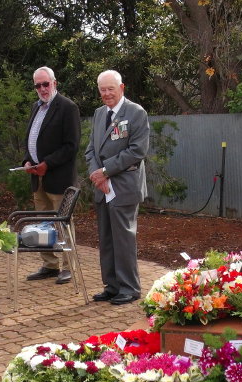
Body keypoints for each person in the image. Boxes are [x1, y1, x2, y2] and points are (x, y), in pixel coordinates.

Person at [84, 70, 150, 305]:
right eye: (102, 89)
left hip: (124, 186)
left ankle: (129, 288)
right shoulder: (99, 113)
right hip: (103, 188)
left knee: (124, 239)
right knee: (107, 238)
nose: (106, 93)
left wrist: (105, 171)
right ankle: (112, 286)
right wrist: (97, 174)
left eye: (110, 88)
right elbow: (91, 149)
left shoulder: (136, 112)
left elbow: (137, 151)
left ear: (122, 88)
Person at [21, 66, 81, 285]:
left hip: (59, 178)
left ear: (55, 82)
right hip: (38, 178)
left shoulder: (68, 107)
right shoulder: (35, 108)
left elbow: (71, 146)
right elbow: (30, 141)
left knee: (62, 223)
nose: (42, 89)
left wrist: (48, 164)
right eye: (38, 85)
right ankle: (49, 264)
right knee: (42, 223)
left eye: (46, 84)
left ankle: (68, 266)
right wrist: (27, 161)